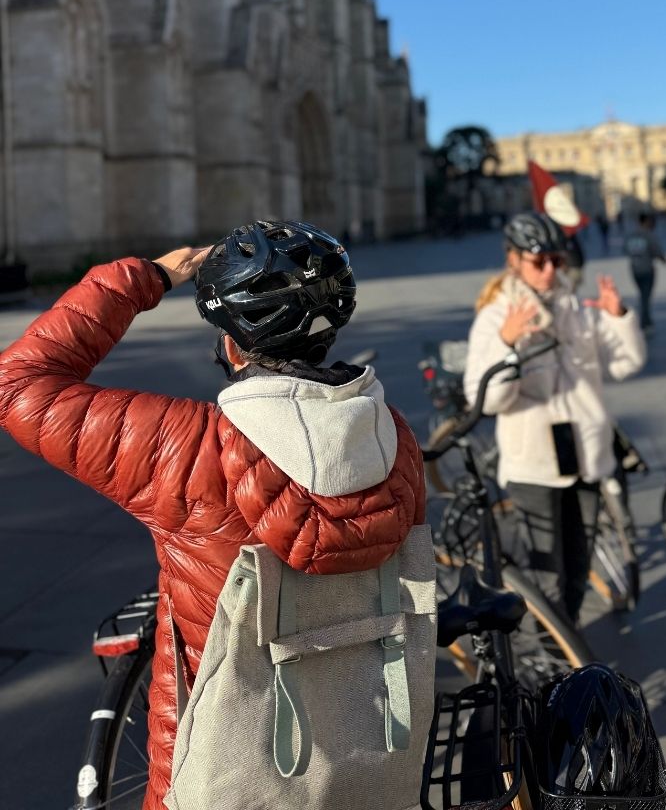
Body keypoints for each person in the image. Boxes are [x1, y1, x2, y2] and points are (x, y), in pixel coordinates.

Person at [0, 220, 425, 810]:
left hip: (216, 771)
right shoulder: (394, 440)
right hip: (366, 762)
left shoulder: (186, 447)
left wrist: (145, 278)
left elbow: (16, 384)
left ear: (230, 343)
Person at [463, 211, 645, 626]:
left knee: (578, 568)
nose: (549, 270)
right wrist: (507, 345)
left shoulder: (576, 308)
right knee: (547, 574)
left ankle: (570, 648)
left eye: (556, 261)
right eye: (537, 261)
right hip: (535, 463)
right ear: (513, 259)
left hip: (585, 454)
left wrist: (618, 318)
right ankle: (555, 661)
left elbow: (625, 364)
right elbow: (487, 400)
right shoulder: (496, 316)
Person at [624, 212, 666, 333]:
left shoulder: (631, 235)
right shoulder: (648, 235)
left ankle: (646, 320)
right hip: (647, 269)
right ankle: (645, 322)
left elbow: (626, 249)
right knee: (645, 297)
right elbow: (656, 250)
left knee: (643, 295)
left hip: (635, 269)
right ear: (646, 221)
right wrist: (663, 259)